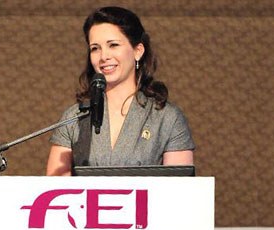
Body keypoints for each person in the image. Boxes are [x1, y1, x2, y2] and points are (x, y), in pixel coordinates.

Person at [46, 6, 195, 176]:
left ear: (138, 51)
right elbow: (56, 193)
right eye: (95, 48)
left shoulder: (167, 118)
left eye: (113, 45)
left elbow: (179, 195)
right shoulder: (74, 118)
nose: (103, 56)